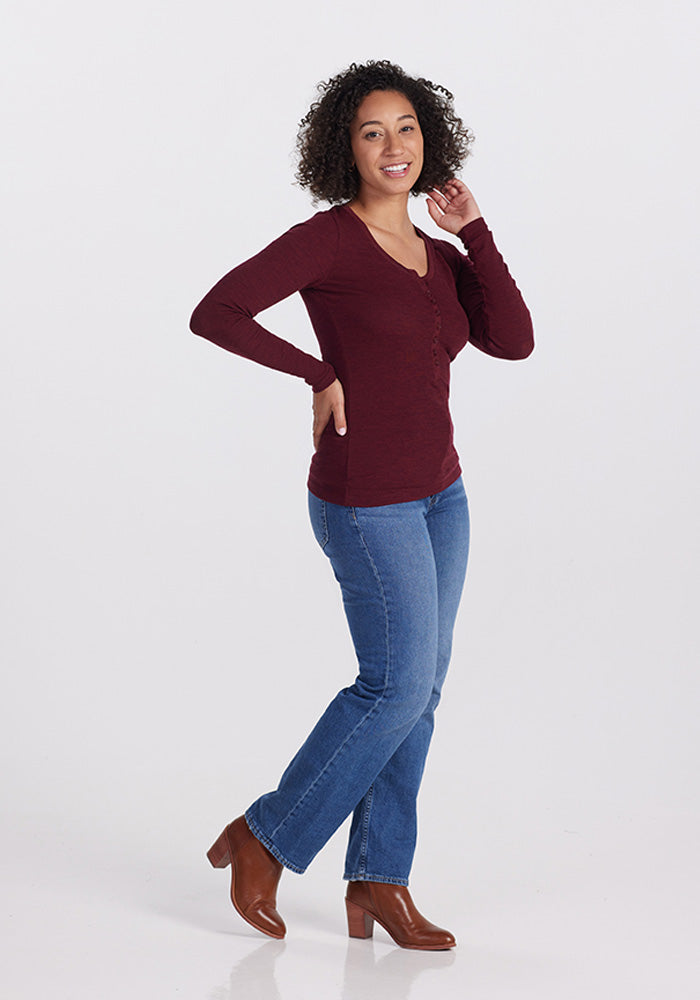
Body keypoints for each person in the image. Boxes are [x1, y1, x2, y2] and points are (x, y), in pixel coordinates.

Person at [189, 58, 534, 951]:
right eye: (372, 131)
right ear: (345, 147)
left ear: (431, 142)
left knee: (419, 695)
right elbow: (217, 310)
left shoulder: (444, 256)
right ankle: (266, 836)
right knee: (394, 686)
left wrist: (478, 230)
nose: (393, 145)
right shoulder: (329, 240)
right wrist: (316, 370)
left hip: (440, 496)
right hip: (364, 500)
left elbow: (513, 340)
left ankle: (380, 879)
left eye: (408, 129)